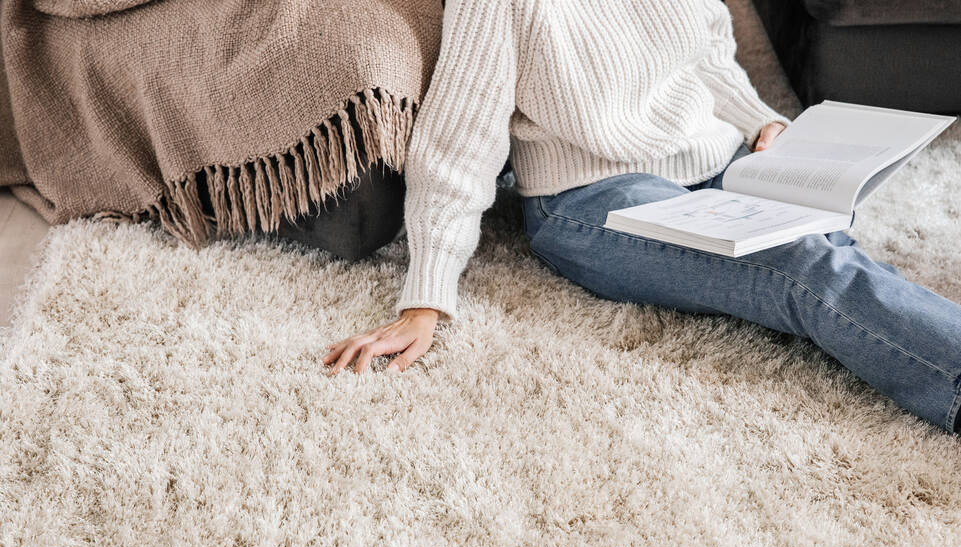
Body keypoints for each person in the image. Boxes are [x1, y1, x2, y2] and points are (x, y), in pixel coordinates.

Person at [322, 0, 961, 434]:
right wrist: (425, 298)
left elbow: (709, 54)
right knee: (807, 269)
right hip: (594, 194)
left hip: (719, 157)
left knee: (828, 235)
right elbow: (459, 142)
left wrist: (758, 120)